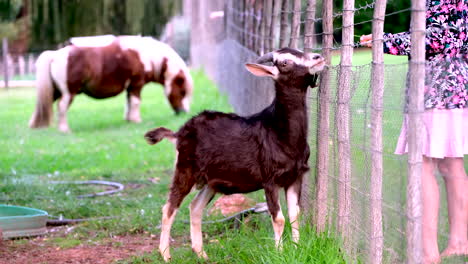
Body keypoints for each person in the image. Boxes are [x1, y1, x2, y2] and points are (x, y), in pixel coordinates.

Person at [360, 0, 467, 263]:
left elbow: (439, 39)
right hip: (446, 85)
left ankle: (430, 252)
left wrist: (385, 41)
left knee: (424, 163)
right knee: (449, 165)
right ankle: (457, 243)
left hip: (437, 86)